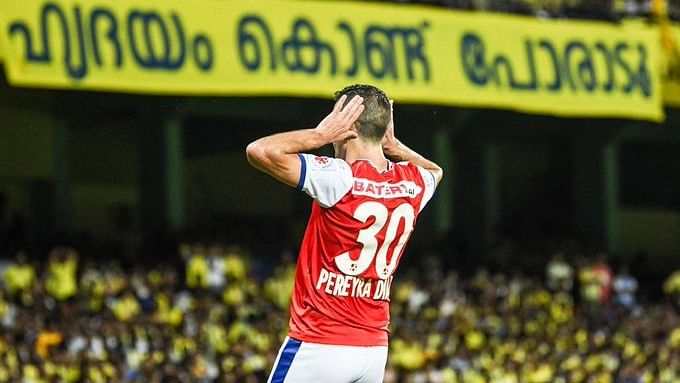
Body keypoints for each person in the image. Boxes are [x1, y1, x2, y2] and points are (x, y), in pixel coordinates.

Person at [246, 84, 443, 383]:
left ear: (348, 126)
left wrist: (318, 135)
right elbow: (436, 172)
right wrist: (396, 147)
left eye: (336, 117)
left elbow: (259, 151)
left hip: (321, 343)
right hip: (374, 349)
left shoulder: (341, 177)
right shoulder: (413, 183)